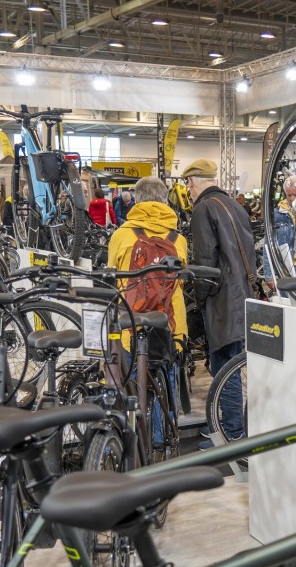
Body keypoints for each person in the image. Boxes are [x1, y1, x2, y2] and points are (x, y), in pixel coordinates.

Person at [107, 177, 189, 442]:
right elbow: (181, 282)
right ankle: (166, 446)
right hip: (169, 326)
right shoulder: (179, 239)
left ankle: (134, 451)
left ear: (136, 200)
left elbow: (111, 277)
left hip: (129, 325)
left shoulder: (121, 236)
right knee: (166, 392)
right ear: (166, 200)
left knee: (130, 393)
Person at [183, 159, 254, 447]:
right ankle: (225, 424)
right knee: (232, 364)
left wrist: (197, 301)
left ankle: (231, 434)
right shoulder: (236, 206)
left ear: (193, 182)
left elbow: (204, 262)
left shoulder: (202, 209)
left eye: (188, 184)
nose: (187, 190)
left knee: (224, 366)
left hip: (221, 299)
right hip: (242, 294)